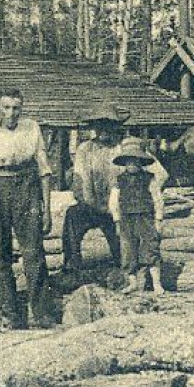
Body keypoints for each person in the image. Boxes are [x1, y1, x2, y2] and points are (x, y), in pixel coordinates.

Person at [0, 87, 56, 329]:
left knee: (34, 252)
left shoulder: (31, 128)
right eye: (6, 107)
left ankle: (41, 312)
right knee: (0, 252)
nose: (11, 113)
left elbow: (44, 170)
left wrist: (46, 209)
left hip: (27, 187)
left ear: (22, 108)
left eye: (16, 108)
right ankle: (10, 313)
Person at [63, 104, 129, 275]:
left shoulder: (122, 148)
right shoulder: (85, 149)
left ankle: (126, 268)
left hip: (117, 208)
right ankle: (72, 266)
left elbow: (157, 173)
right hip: (91, 205)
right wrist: (91, 204)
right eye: (99, 125)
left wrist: (116, 205)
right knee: (73, 215)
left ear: (115, 127)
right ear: (93, 127)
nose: (104, 130)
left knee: (123, 245)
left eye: (108, 125)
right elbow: (80, 181)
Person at [110, 137, 167, 295]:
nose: (132, 165)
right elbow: (113, 201)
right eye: (129, 162)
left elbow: (157, 199)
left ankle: (156, 283)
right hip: (126, 218)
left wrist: (159, 219)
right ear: (124, 163)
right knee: (128, 250)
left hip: (145, 217)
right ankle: (132, 282)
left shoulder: (149, 178)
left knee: (150, 247)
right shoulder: (119, 180)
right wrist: (116, 220)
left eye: (136, 162)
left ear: (141, 162)